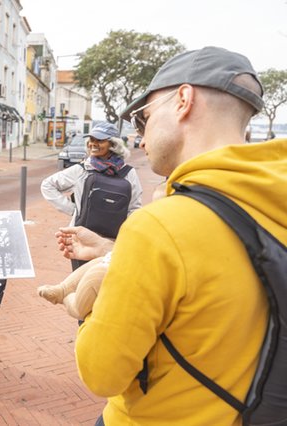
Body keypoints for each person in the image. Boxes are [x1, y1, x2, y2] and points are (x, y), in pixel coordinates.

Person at [61, 46, 287, 425]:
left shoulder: (159, 228)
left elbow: (101, 373)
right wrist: (113, 250)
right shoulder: (268, 200)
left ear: (183, 100)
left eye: (144, 118)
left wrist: (94, 298)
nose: (143, 139)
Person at [41, 121, 142, 269]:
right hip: (82, 241)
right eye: (91, 140)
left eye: (100, 140)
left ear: (113, 144)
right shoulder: (82, 170)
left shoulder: (128, 173)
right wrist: (75, 211)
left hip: (113, 242)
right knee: (82, 285)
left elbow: (134, 208)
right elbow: (47, 185)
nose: (93, 144)